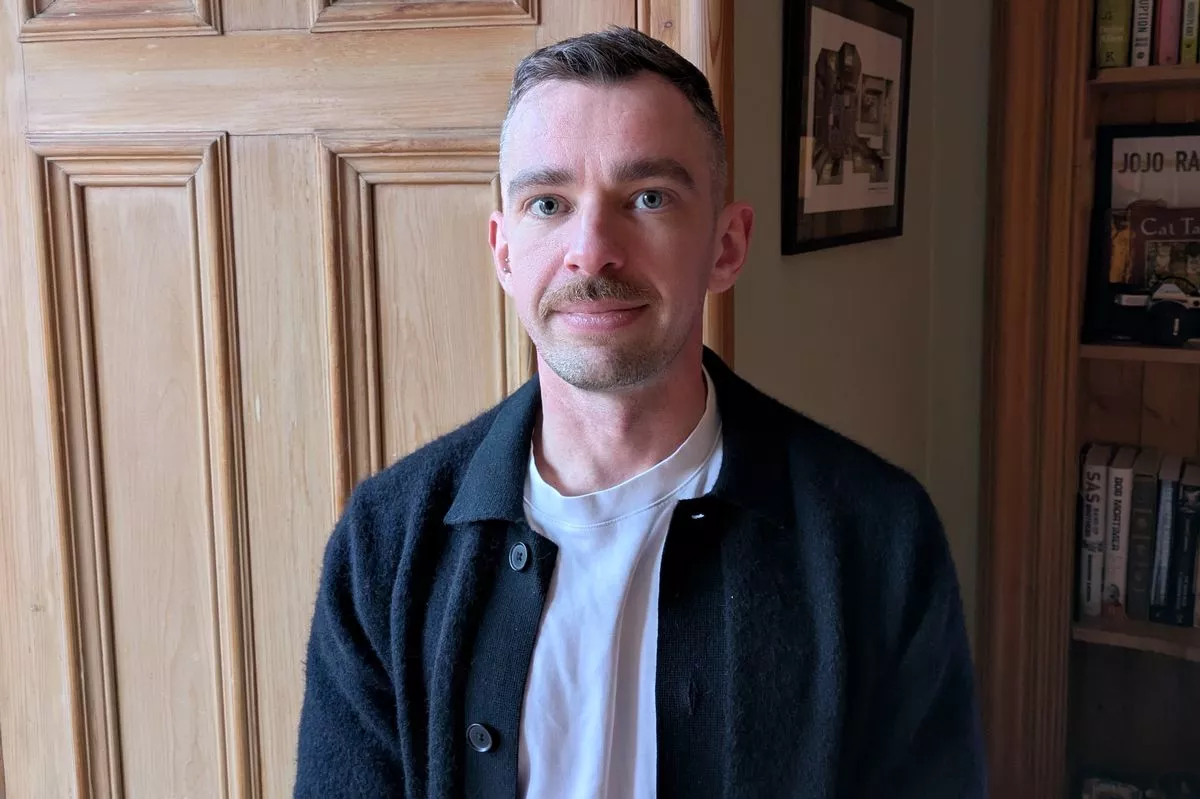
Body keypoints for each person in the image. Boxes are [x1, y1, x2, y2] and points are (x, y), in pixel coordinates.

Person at [294, 26, 987, 799]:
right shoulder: (386, 544)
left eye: (648, 198)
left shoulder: (879, 539)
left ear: (727, 246)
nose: (591, 250)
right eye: (548, 202)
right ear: (503, 252)